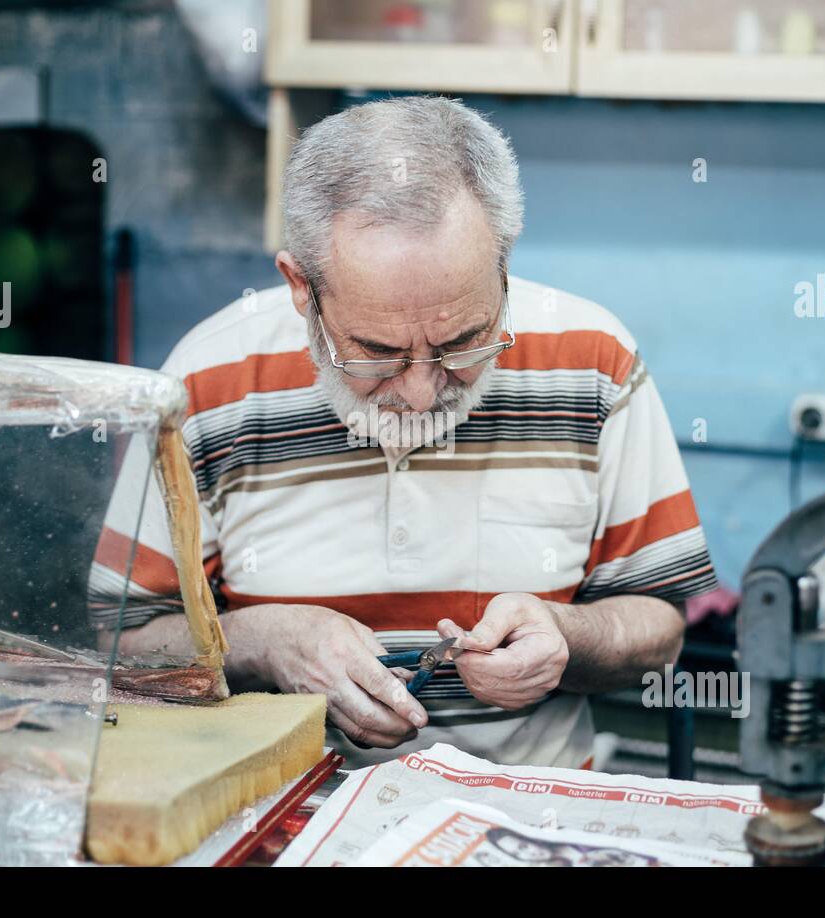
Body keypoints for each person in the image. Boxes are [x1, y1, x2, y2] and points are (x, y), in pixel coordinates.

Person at [90, 96, 716, 769]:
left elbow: (660, 626)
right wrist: (262, 641)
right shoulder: (209, 381)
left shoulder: (595, 362)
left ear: (503, 261)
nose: (421, 391)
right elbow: (117, 642)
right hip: (283, 811)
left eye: (464, 342)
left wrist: (568, 637)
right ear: (302, 288)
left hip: (529, 819)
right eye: (376, 353)